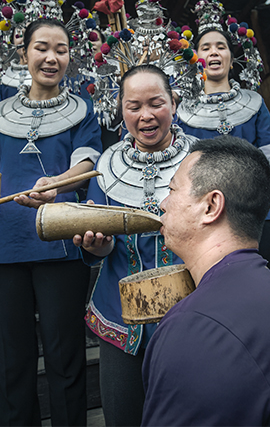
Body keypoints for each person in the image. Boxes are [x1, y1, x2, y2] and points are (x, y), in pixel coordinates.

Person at [0, 17, 102, 425]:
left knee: (64, 353)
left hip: (59, 240)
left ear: (71, 57)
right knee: (11, 358)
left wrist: (58, 184)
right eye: (41, 48)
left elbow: (87, 163)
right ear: (24, 54)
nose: (51, 58)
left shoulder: (83, 111)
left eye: (61, 49)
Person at [142, 135, 270, 426]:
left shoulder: (198, 326)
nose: (162, 204)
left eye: (171, 189)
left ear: (211, 206)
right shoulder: (263, 285)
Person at [76, 63, 196, 426]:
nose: (146, 115)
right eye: (134, 106)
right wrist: (97, 246)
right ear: (120, 110)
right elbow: (100, 246)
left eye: (156, 103)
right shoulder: (105, 166)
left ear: (174, 103)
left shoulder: (204, 160)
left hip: (194, 317)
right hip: (119, 317)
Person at [176, 0, 270, 284]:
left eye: (221, 47)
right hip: (208, 223)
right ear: (195, 58)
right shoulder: (183, 112)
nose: (214, 53)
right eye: (205, 47)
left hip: (260, 217)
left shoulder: (254, 102)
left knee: (267, 290)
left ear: (232, 56)